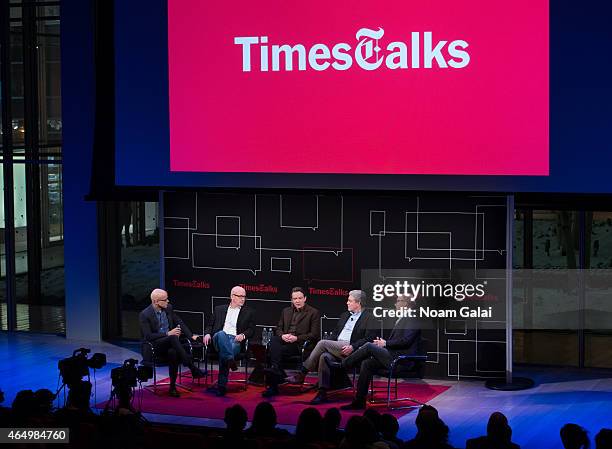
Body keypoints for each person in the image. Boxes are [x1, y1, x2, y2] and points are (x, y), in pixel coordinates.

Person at [287, 290, 376, 404]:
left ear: (358, 303)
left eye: (350, 301)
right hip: (338, 347)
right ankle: (322, 393)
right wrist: (331, 341)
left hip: (353, 350)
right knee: (324, 356)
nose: (347, 303)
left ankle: (302, 373)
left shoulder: (370, 318)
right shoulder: (344, 316)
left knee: (323, 343)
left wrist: (353, 347)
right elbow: (335, 334)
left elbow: (369, 338)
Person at [340, 294, 421, 410]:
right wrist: (383, 343)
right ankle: (359, 401)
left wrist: (386, 344)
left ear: (406, 303)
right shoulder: (403, 318)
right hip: (394, 356)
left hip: (403, 361)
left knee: (368, 346)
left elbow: (406, 341)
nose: (395, 304)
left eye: (398, 301)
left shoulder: (413, 318)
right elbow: (398, 341)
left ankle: (343, 365)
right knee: (367, 363)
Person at [139, 288, 206, 397]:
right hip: (154, 347)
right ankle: (191, 367)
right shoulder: (145, 314)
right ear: (155, 301)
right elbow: (148, 336)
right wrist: (167, 334)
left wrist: (191, 336)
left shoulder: (168, 308)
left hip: (169, 345)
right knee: (173, 337)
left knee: (173, 352)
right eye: (164, 300)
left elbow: (180, 322)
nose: (168, 301)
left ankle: (172, 387)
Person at [262, 286, 321, 397]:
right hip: (285, 341)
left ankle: (274, 384)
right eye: (295, 299)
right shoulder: (286, 311)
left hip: (299, 344)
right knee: (274, 340)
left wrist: (297, 338)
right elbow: (278, 328)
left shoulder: (313, 312)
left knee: (274, 352)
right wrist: (283, 335)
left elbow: (314, 335)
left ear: (305, 298)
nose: (297, 301)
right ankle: (277, 372)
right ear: (292, 300)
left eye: (300, 298)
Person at [203, 286, 256, 396]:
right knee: (222, 334)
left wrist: (243, 335)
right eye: (240, 296)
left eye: (244, 297)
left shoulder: (248, 312)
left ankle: (222, 385)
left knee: (225, 354)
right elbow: (209, 325)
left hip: (235, 340)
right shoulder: (219, 309)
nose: (243, 299)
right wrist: (207, 333)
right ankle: (230, 360)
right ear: (232, 296)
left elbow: (251, 330)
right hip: (218, 338)